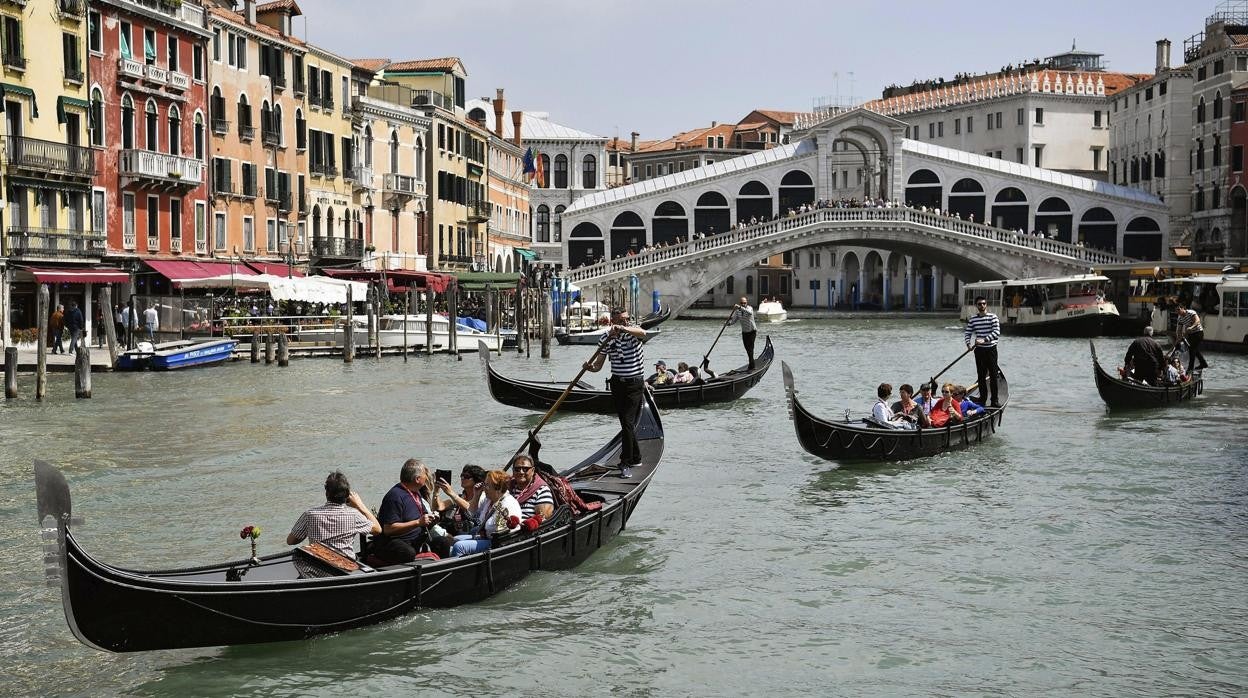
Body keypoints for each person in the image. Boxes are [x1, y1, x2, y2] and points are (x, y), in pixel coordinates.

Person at [584, 308, 647, 478]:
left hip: (635, 384)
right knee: (626, 425)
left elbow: (642, 333)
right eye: (622, 320)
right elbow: (598, 366)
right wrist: (590, 368)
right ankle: (636, 457)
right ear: (613, 321)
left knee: (627, 422)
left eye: (627, 319)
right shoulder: (605, 338)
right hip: (617, 384)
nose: (626, 322)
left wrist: (624, 329)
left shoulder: (633, 333)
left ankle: (625, 462)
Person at [286, 471, 381, 578]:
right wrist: (360, 505)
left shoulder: (310, 514)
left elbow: (290, 541)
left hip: (315, 573)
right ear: (347, 495)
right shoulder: (354, 515)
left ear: (326, 493)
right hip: (344, 572)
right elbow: (377, 529)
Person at [373, 458, 452, 563]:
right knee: (407, 552)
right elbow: (388, 529)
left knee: (443, 542)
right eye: (425, 474)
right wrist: (418, 522)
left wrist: (432, 521)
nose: (427, 476)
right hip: (395, 542)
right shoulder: (395, 496)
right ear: (417, 479)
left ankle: (441, 572)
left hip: (416, 539)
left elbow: (422, 521)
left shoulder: (416, 493)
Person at [450, 470, 522, 557]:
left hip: (498, 543)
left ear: (498, 488)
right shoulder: (489, 500)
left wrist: (479, 532)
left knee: (459, 546)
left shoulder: (507, 504)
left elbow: (496, 531)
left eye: (487, 485)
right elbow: (471, 512)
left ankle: (456, 569)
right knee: (455, 539)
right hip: (487, 536)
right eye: (484, 484)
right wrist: (476, 495)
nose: (484, 488)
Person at [964, 295, 1001, 407]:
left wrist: (984, 339)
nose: (982, 305)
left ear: (986, 305)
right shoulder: (973, 319)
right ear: (977, 305)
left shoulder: (993, 317)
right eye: (980, 304)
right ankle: (983, 399)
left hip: (991, 350)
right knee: (981, 376)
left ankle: (994, 400)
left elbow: (996, 333)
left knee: (993, 376)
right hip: (979, 351)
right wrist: (968, 344)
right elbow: (968, 333)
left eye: (984, 303)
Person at [435, 464, 488, 536]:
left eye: (466, 476)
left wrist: (451, 493)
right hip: (458, 531)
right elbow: (438, 507)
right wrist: (436, 492)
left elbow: (470, 509)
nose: (462, 478)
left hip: (473, 532)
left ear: (476, 480)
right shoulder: (462, 496)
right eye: (461, 475)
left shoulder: (482, 497)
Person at [509, 454, 555, 523]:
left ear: (533, 470)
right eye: (517, 469)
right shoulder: (508, 487)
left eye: (525, 469)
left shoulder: (541, 490)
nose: (521, 472)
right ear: (513, 471)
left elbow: (542, 519)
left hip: (527, 531)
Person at [1175, 301, 1209, 374]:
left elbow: (1197, 321)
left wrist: (1191, 327)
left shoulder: (1191, 312)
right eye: (1176, 310)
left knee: (1192, 350)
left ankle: (1190, 369)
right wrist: (1178, 338)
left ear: (1183, 308)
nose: (1177, 311)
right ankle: (1204, 363)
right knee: (1194, 349)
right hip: (1191, 335)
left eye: (1178, 309)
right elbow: (1179, 330)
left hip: (1198, 333)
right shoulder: (1180, 318)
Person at [726, 296, 758, 370]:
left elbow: (749, 313)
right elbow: (734, 320)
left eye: (744, 303)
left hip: (752, 332)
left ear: (747, 303)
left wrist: (740, 308)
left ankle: (751, 366)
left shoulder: (749, 308)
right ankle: (751, 363)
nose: (743, 304)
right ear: (740, 303)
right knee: (747, 349)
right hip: (744, 333)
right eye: (742, 303)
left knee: (750, 349)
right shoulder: (737, 312)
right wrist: (728, 324)